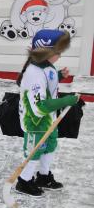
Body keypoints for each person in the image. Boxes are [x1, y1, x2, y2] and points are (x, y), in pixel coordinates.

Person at [16, 29, 80, 196]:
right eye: (57, 52)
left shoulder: (46, 66)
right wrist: (66, 101)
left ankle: (43, 177)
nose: (60, 55)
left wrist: (58, 76)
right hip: (35, 122)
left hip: (49, 119)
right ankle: (24, 181)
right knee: (34, 150)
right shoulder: (33, 73)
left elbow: (47, 82)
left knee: (50, 146)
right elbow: (39, 106)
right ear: (45, 52)